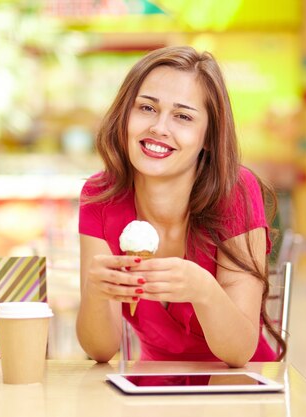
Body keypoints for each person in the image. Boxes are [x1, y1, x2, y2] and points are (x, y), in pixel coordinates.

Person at [76, 46, 285, 367]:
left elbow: (240, 351)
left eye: (183, 116)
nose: (159, 127)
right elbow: (101, 350)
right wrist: (96, 290)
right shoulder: (100, 196)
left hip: (243, 386)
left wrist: (202, 289)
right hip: (156, 384)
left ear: (208, 137)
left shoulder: (235, 192)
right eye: (146, 108)